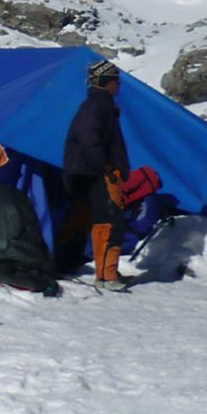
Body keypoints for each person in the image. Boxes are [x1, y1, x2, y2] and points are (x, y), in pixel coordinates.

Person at [63, 60, 134, 290]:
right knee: (112, 220)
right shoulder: (98, 106)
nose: (119, 86)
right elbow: (89, 136)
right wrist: (105, 166)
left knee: (101, 219)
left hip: (86, 171)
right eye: (116, 81)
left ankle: (104, 274)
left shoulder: (98, 105)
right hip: (99, 172)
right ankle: (107, 276)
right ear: (107, 82)